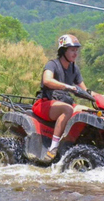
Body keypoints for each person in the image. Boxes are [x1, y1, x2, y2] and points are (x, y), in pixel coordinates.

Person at [32, 34, 96, 163]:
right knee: (67, 109)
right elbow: (47, 80)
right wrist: (67, 86)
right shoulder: (52, 64)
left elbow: (85, 90)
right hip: (45, 103)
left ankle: (81, 144)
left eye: (76, 50)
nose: (75, 53)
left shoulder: (74, 68)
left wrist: (100, 96)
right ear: (63, 50)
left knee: (89, 112)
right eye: (72, 50)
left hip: (64, 103)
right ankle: (53, 148)